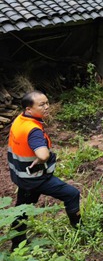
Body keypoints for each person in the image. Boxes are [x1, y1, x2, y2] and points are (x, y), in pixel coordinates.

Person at [7, 90, 81, 251]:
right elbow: (43, 153)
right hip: (35, 179)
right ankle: (79, 230)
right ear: (29, 109)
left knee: (22, 208)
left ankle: (16, 245)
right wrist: (42, 157)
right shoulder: (33, 130)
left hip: (20, 175)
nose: (47, 107)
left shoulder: (19, 120)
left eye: (47, 103)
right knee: (72, 194)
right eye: (42, 105)